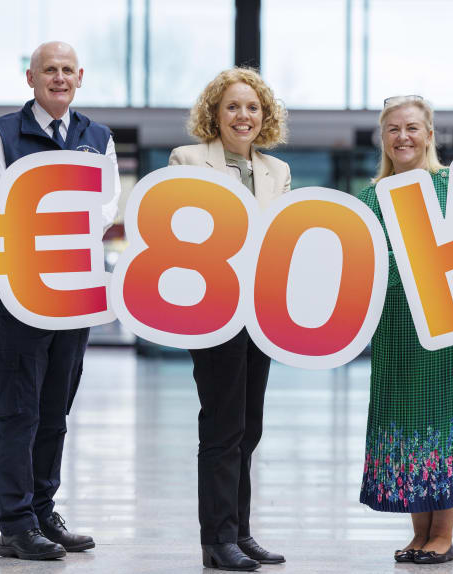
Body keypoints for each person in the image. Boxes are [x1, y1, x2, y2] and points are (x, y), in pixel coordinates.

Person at [0, 41, 121, 561]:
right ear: (30, 78)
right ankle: (14, 524)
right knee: (19, 410)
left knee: (55, 408)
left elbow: (105, 209)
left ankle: (42, 510)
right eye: (48, 71)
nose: (58, 78)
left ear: (80, 77)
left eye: (66, 71)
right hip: (18, 298)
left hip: (73, 296)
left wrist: (64, 238)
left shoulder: (96, 138)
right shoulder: (4, 136)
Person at [357, 95, 453, 565]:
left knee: (445, 419)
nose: (403, 136)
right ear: (384, 137)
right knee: (408, 424)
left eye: (413, 128)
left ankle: (443, 536)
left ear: (430, 134)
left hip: (450, 328)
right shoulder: (368, 198)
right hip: (396, 329)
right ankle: (420, 534)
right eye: (394, 128)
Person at [168, 67, 290, 572]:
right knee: (221, 427)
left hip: (258, 312)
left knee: (249, 426)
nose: (244, 116)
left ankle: (239, 530)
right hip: (215, 310)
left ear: (265, 117)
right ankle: (217, 540)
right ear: (214, 114)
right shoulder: (189, 159)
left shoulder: (276, 171)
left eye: (252, 107)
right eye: (233, 107)